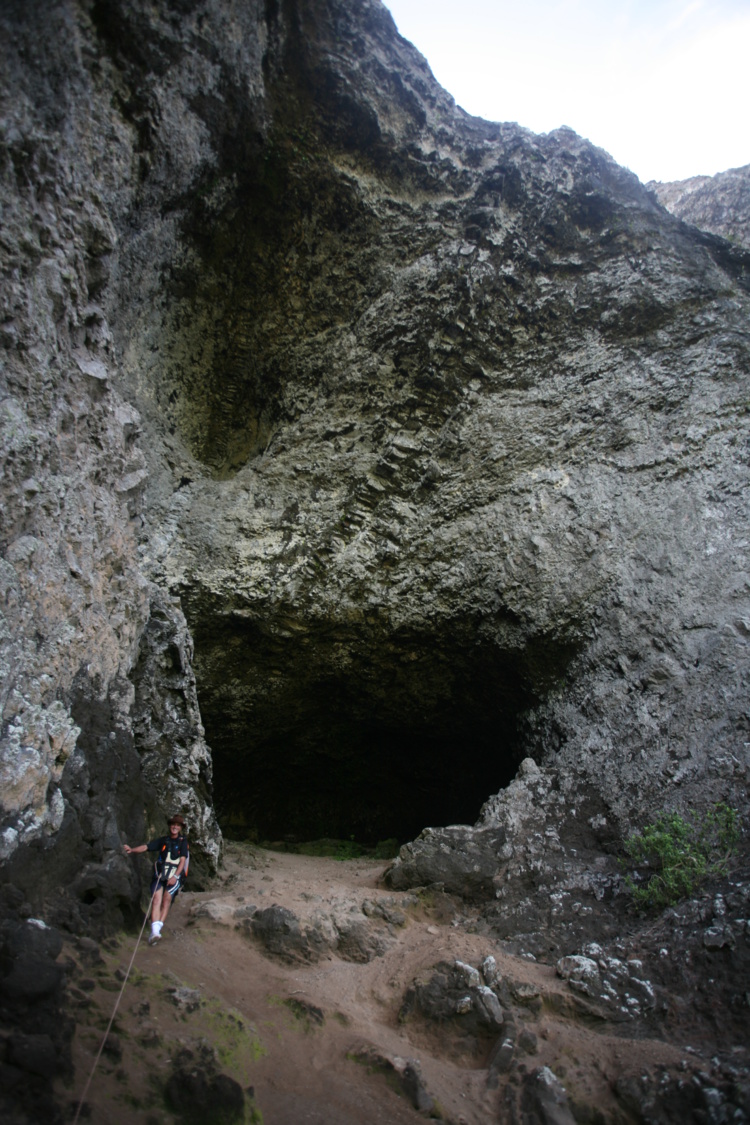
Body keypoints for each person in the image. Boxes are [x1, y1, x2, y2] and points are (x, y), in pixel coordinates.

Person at [123, 814, 189, 945]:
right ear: (170, 826)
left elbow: (182, 861)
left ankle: (156, 930)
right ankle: (154, 932)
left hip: (174, 876)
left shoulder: (183, 842)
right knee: (156, 900)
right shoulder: (164, 840)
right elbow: (147, 847)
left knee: (166, 899)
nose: (175, 827)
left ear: (180, 828)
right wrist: (132, 850)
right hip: (160, 874)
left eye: (177, 825)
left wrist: (175, 877)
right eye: (173, 824)